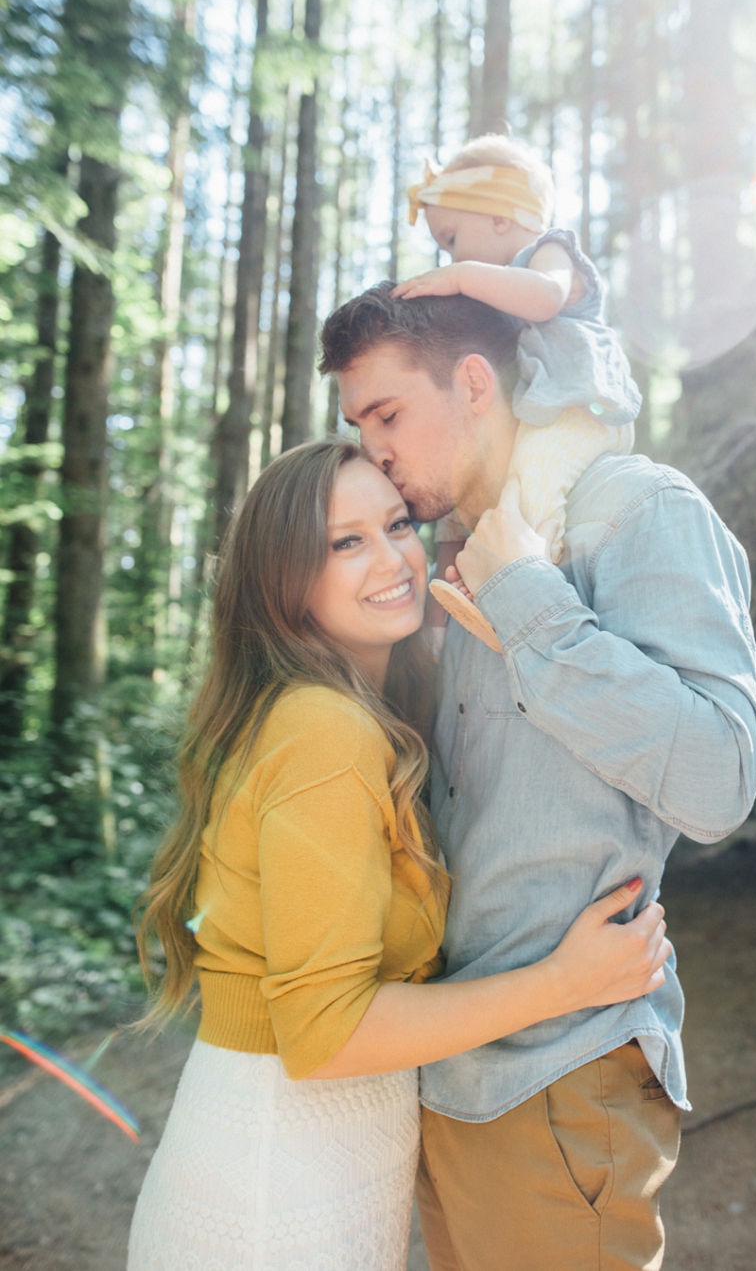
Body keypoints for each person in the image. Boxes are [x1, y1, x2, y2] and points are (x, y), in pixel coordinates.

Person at [127, 439, 673, 1270]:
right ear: (282, 578)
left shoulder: (350, 714)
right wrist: (563, 982)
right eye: (345, 542)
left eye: (395, 525)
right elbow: (325, 1032)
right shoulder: (324, 731)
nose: (393, 559)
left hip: (318, 1157)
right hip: (279, 1184)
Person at [320, 285, 756, 1271]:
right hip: (443, 1076)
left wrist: (529, 602)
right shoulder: (445, 557)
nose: (374, 449)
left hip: (564, 1079)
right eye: (358, 426)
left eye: (387, 415)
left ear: (474, 383)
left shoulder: (640, 509)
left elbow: (721, 781)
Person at [395, 133, 643, 650]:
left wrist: (461, 275)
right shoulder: (498, 295)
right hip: (541, 413)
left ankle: (522, 588)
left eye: (452, 239)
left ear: (500, 217)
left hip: (581, 408)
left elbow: (546, 298)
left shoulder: (549, 252)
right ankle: (448, 617)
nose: (449, 255)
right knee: (464, 499)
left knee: (531, 487)